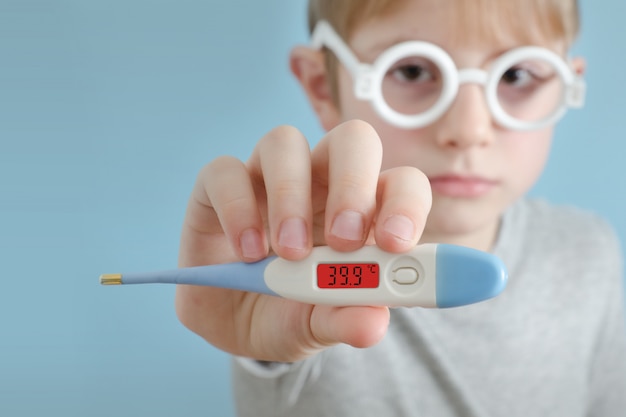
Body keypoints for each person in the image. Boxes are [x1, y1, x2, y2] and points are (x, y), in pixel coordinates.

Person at [175, 0, 626, 415]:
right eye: (412, 71)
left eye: (515, 75)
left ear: (568, 86)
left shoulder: (590, 253)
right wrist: (268, 271)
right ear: (322, 87)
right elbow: (263, 332)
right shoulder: (301, 268)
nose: (468, 129)